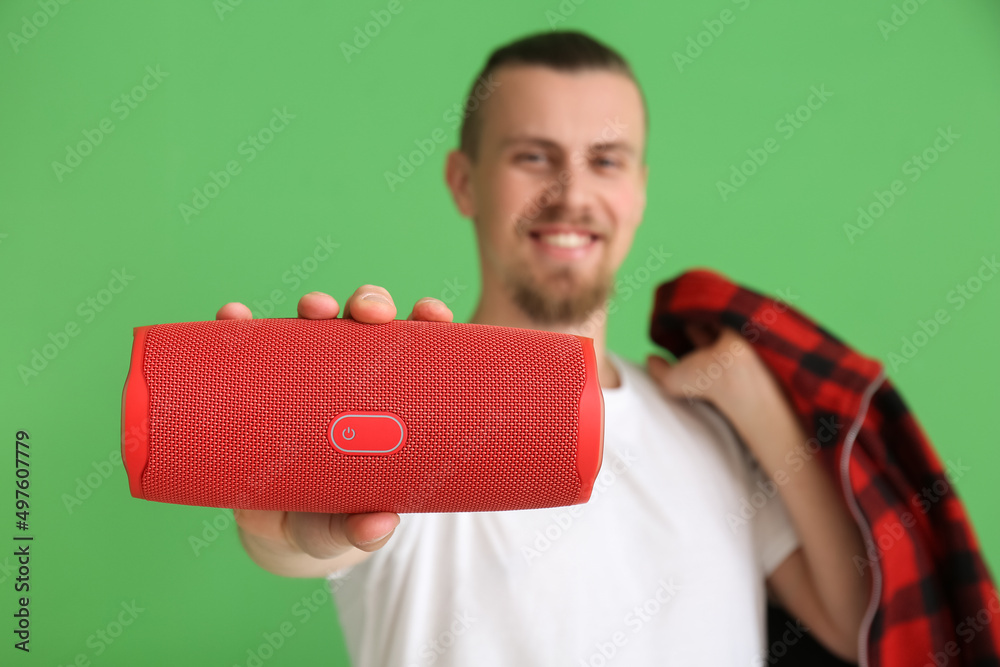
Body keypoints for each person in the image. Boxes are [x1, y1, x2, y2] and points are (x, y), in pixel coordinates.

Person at [218, 30, 871, 666]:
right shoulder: (404, 402)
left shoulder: (712, 432)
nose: (573, 194)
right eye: (533, 156)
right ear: (464, 180)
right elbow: (306, 540)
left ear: (639, 190)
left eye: (606, 160)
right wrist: (291, 525)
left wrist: (766, 414)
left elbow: (858, 625)